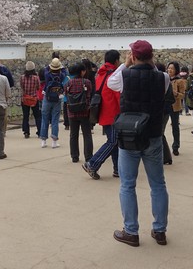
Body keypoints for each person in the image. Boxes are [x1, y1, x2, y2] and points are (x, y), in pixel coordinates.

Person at [107, 40, 169, 247]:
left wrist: (126, 64)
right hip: (153, 135)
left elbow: (110, 83)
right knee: (158, 184)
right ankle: (159, 230)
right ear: (152, 56)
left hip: (130, 136)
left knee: (127, 184)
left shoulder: (124, 76)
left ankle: (131, 231)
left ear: (133, 56)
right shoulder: (164, 77)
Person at [83, 49, 121, 179]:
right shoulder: (113, 76)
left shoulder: (100, 75)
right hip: (113, 114)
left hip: (103, 112)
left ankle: (117, 169)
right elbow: (118, 96)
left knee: (115, 142)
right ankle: (92, 164)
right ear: (116, 61)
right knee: (113, 141)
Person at [65, 62, 94, 163]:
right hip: (85, 112)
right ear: (82, 72)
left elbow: (66, 94)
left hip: (72, 112)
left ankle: (74, 156)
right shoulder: (86, 82)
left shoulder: (68, 83)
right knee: (87, 134)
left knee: (73, 134)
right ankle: (88, 156)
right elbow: (90, 93)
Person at [40, 57, 66, 148]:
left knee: (44, 119)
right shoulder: (61, 75)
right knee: (55, 120)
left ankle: (43, 140)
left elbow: (46, 69)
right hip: (57, 98)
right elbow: (64, 70)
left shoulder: (47, 75)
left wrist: (51, 65)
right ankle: (54, 142)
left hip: (47, 97)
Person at [167, 61, 185, 156]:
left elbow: (182, 95)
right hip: (165, 105)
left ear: (176, 70)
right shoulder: (165, 79)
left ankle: (176, 146)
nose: (170, 70)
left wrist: (176, 93)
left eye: (172, 68)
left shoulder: (180, 81)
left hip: (174, 106)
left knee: (175, 126)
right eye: (169, 68)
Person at [20, 61, 41, 138]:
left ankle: (26, 132)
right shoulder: (36, 78)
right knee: (37, 116)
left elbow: (21, 86)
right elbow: (38, 87)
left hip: (25, 98)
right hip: (34, 98)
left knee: (26, 116)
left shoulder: (22, 77)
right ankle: (39, 131)